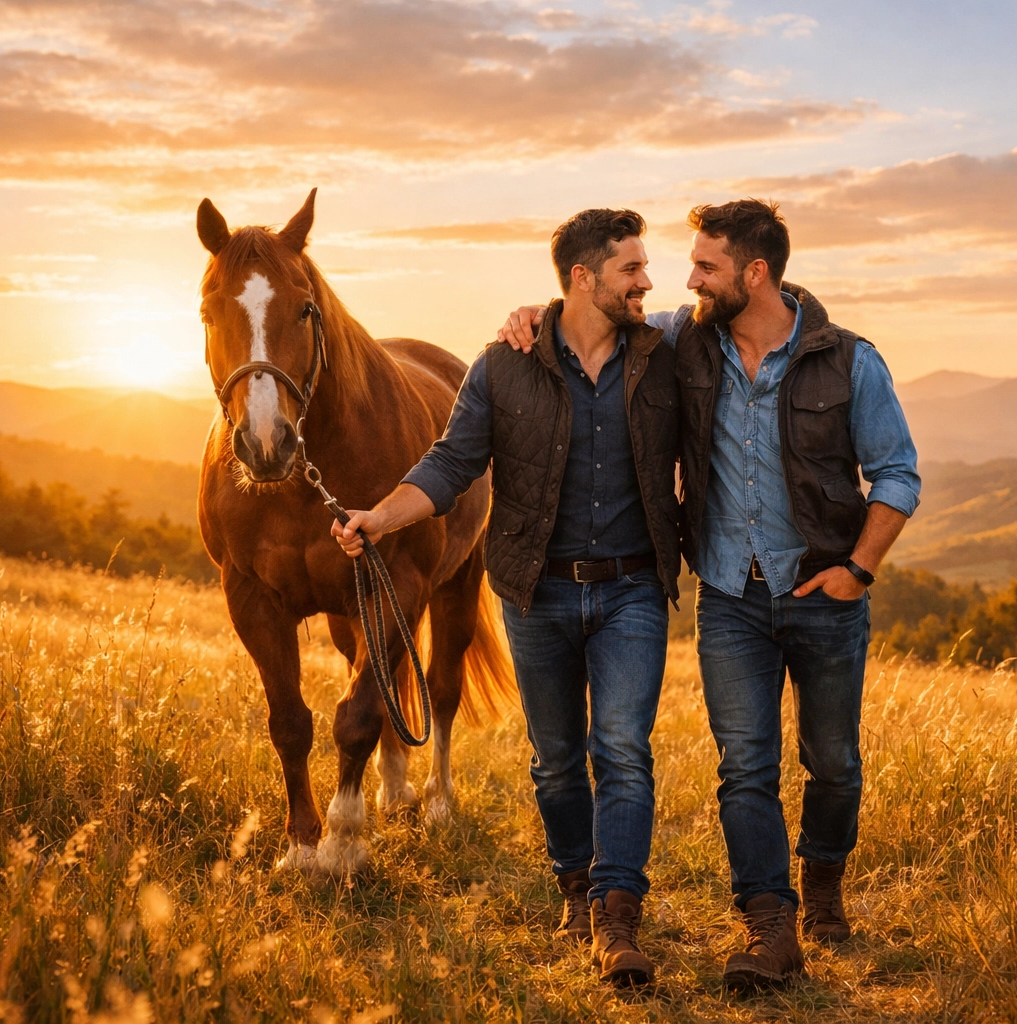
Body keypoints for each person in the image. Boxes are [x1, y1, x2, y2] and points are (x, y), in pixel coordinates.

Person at [495, 198, 920, 989]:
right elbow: (594, 315)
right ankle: (771, 924)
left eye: (705, 266)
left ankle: (823, 883)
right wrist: (530, 315)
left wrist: (856, 569)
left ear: (753, 274)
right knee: (746, 768)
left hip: (824, 594)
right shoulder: (685, 339)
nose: (686, 279)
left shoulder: (851, 360)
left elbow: (897, 474)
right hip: (728, 594)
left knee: (832, 764)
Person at [332, 209, 683, 988]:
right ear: (584, 278)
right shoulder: (502, 365)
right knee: (556, 762)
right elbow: (452, 462)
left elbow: (745, 309)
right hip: (538, 592)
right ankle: (573, 886)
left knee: (622, 752)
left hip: (632, 589)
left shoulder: (664, 355)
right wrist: (379, 517)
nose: (647, 281)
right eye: (632, 269)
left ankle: (616, 916)